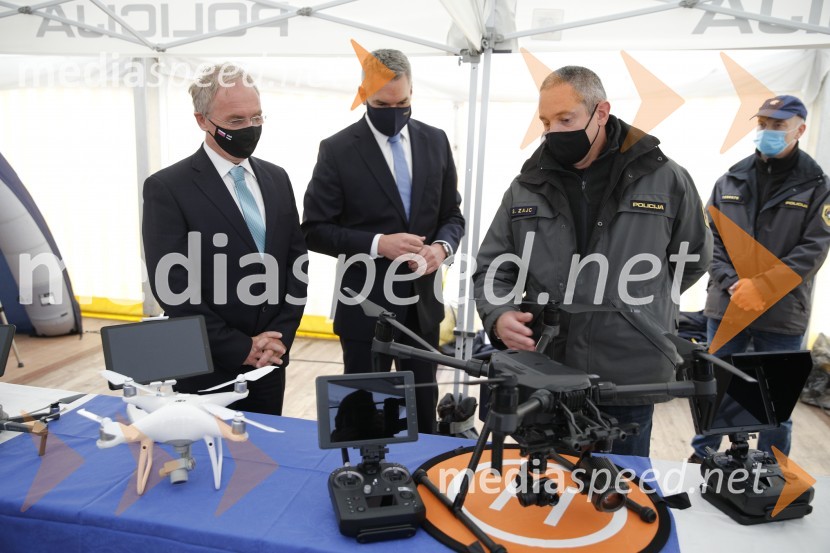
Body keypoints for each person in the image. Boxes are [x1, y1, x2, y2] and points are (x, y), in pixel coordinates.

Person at [472, 66, 712, 457]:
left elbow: (693, 260)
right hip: (546, 373)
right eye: (546, 122)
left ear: (601, 112)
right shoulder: (525, 187)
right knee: (547, 495)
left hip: (630, 374)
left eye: (565, 119)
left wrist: (638, 307)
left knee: (623, 496)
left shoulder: (667, 179)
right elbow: (492, 269)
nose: (553, 132)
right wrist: (498, 313)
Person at [302, 49, 465, 435]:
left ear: (412, 93)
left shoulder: (436, 141)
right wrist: (378, 244)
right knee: (360, 415)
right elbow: (314, 228)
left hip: (423, 309)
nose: (393, 110)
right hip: (364, 309)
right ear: (363, 94)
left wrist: (441, 249)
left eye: (403, 102)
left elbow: (452, 217)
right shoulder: (337, 149)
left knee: (424, 413)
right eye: (381, 104)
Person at [142, 63, 307, 415]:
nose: (250, 128)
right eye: (236, 121)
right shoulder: (168, 188)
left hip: (270, 364)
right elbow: (173, 287)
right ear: (202, 120)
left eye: (257, 118)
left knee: (265, 458)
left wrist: (278, 339)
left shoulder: (277, 178)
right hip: (207, 368)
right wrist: (239, 347)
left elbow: (296, 262)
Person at [690, 95, 830, 461]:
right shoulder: (730, 179)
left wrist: (763, 288)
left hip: (781, 312)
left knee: (774, 402)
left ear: (800, 129)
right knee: (715, 391)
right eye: (763, 124)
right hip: (728, 304)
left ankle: (773, 467)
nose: (768, 131)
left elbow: (812, 250)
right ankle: (702, 460)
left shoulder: (818, 186)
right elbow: (710, 240)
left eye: (778, 126)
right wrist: (733, 282)